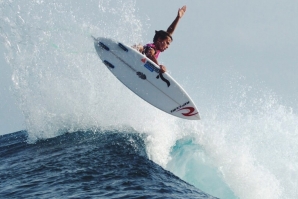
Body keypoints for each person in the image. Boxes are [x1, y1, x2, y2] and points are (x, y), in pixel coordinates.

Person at [134, 5, 186, 73]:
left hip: (141, 63)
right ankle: (132, 49)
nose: (167, 46)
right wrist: (158, 67)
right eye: (167, 43)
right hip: (139, 56)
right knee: (140, 47)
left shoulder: (157, 49)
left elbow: (169, 32)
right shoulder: (153, 48)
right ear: (159, 39)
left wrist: (178, 18)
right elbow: (150, 54)